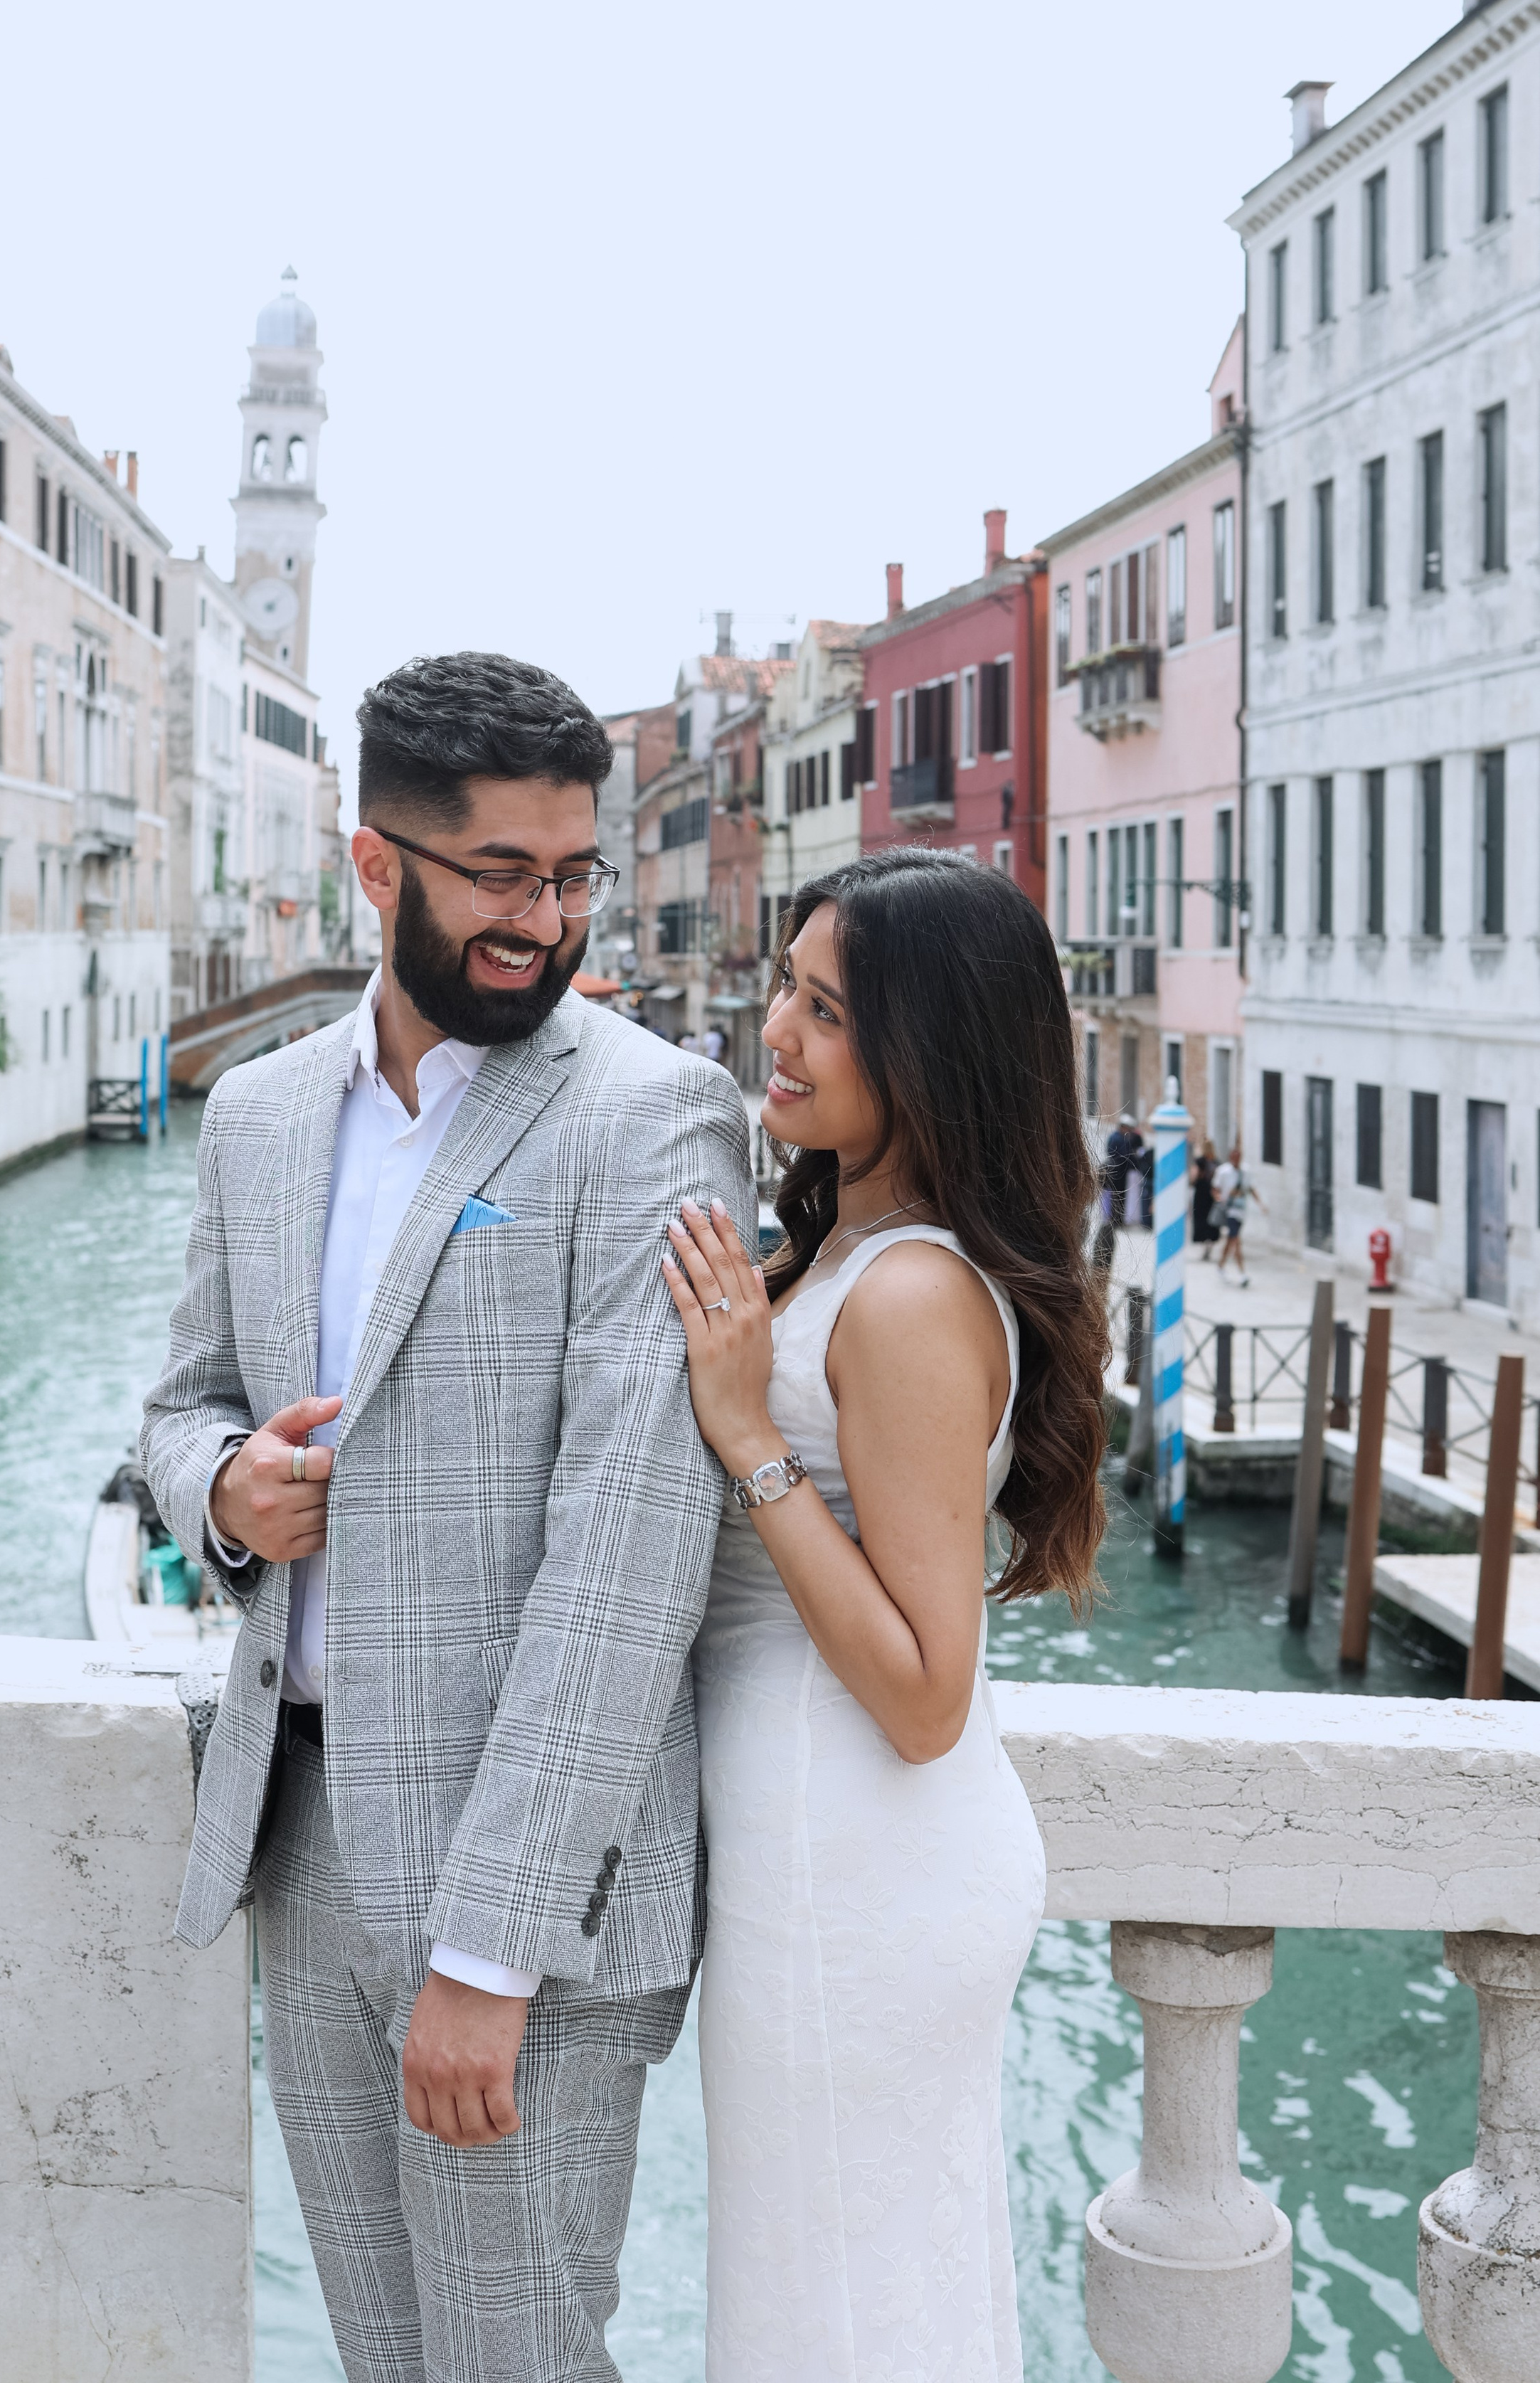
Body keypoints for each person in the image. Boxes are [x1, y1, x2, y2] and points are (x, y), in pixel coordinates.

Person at [142, 652, 755, 2383]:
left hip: (531, 1891)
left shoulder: (652, 1113)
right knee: (385, 2360)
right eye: (498, 873)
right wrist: (228, 1494)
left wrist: (489, 1949)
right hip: (300, 1837)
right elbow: (179, 1404)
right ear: (373, 864)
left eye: (570, 875)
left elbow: (629, 1554)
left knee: (518, 2363)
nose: (542, 920)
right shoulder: (257, 1116)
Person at [661, 850, 1107, 2381]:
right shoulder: (844, 1253)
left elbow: (924, 1696)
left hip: (853, 1856)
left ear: (933, 1051)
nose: (774, 1029)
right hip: (813, 1845)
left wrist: (744, 1436)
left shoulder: (908, 1297)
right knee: (841, 2296)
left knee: (842, 2316)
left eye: (826, 1009)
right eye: (784, 985)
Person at [1214, 1140, 1252, 1285]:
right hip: (1230, 1211)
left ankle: (1221, 1265)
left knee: (1231, 1240)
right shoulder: (1223, 1171)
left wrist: (1261, 1204)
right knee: (1236, 1241)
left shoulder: (1246, 1172)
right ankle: (1243, 1273)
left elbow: (1250, 1189)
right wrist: (1222, 1199)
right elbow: (1215, 1189)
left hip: (1241, 1210)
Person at [1190, 1140, 1221, 1256]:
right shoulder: (1217, 1163)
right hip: (1213, 1194)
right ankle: (1210, 1243)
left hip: (1201, 1194)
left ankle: (1204, 1244)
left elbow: (1193, 1177)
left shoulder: (1199, 1162)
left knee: (1201, 1219)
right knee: (1212, 1220)